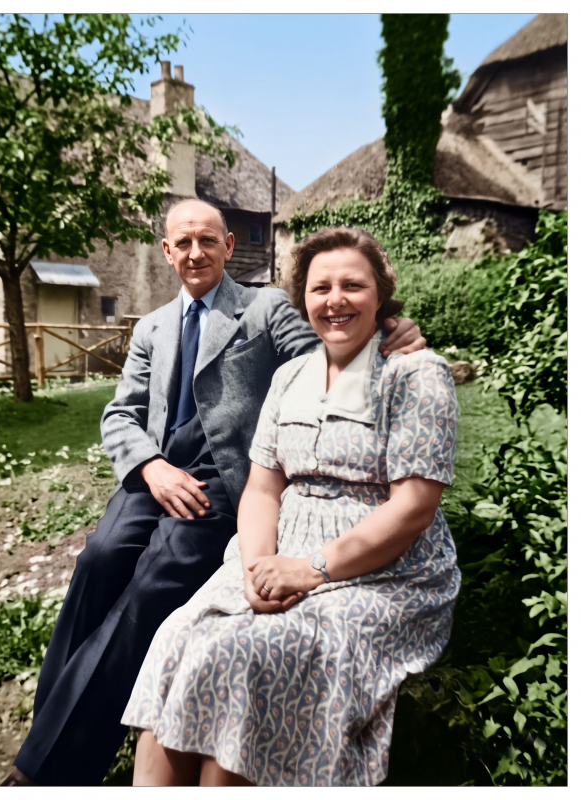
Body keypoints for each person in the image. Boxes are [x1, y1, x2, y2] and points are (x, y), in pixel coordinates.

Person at [3, 202, 425, 786]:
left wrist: (389, 331)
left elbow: (326, 351)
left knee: (155, 580)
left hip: (222, 479)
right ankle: (47, 731)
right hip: (157, 472)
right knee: (98, 558)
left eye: (208, 240)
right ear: (167, 251)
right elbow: (120, 414)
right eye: (183, 243)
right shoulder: (152, 328)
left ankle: (47, 772)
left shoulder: (264, 307)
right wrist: (151, 467)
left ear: (228, 246)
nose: (195, 253)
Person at [123, 225, 460, 787]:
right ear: (303, 298)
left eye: (353, 285)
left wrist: (311, 569)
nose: (335, 300)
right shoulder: (289, 377)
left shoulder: (415, 374)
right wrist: (257, 567)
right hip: (279, 552)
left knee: (251, 654)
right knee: (179, 637)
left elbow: (413, 509)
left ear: (381, 294)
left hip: (384, 572)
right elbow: (262, 488)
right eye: (320, 287)